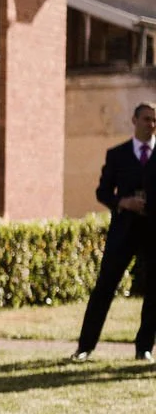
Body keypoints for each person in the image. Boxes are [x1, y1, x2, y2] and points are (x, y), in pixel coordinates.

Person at [74, 102, 156, 361]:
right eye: (146, 119)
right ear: (134, 120)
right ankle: (85, 347)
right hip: (124, 231)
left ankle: (144, 348)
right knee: (105, 287)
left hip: (153, 232)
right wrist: (123, 202)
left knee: (154, 291)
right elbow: (103, 192)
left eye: (155, 120)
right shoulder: (117, 155)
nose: (151, 125)